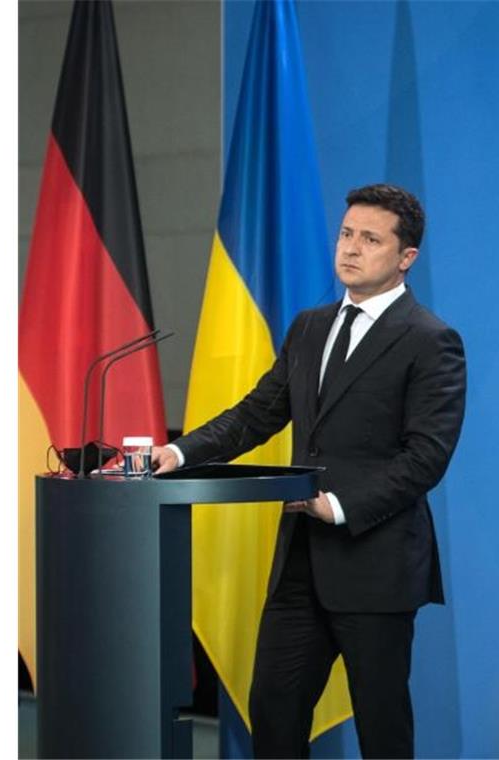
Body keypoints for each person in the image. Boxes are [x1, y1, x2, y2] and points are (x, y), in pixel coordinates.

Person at [153, 184, 466, 758]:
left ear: (406, 257)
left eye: (371, 239)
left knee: (382, 727)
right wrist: (178, 453)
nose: (351, 248)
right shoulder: (310, 326)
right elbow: (256, 415)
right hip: (300, 562)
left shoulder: (430, 340)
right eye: (347, 233)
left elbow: (428, 456)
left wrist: (339, 505)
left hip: (375, 560)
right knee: (272, 711)